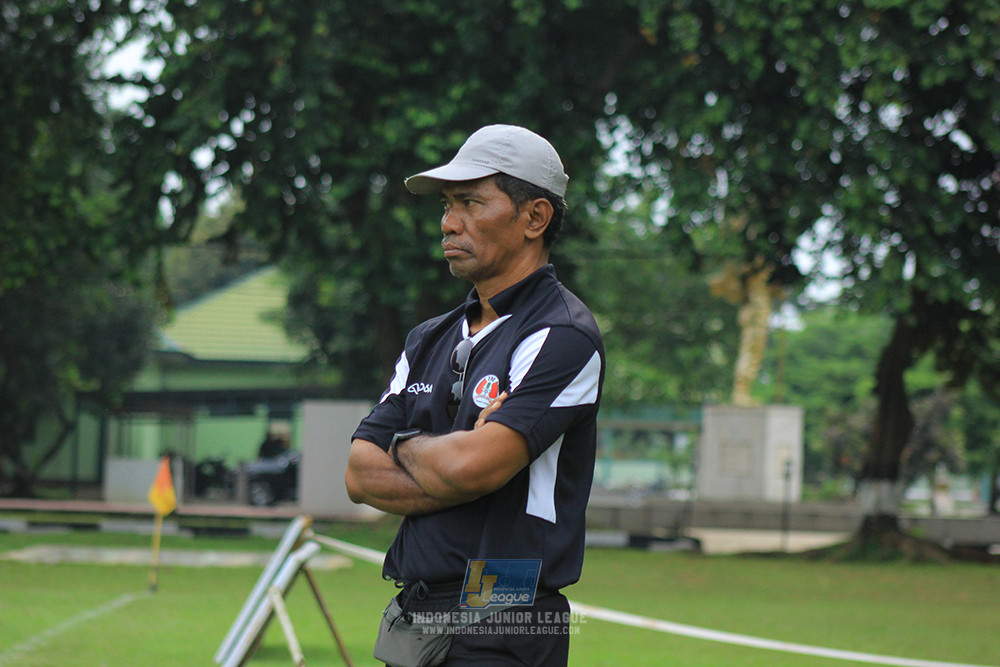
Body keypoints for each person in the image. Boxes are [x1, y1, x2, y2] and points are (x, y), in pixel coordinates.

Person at [345, 124, 604, 666]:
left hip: (506, 605)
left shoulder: (561, 334)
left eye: (470, 202)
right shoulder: (429, 337)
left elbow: (472, 470)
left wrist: (406, 446)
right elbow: (358, 474)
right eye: (446, 203)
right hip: (414, 610)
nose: (447, 222)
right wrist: (453, 453)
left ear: (535, 217)